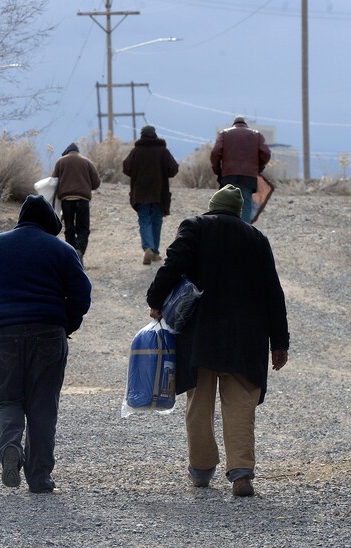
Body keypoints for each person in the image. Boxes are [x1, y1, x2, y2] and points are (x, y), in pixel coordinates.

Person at [145, 184, 289, 497]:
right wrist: (280, 342)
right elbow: (273, 293)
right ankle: (241, 474)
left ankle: (201, 469)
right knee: (240, 406)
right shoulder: (257, 238)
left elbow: (174, 263)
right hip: (246, 339)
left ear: (212, 207)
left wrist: (155, 298)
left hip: (201, 335)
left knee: (199, 404)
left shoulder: (195, 227)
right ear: (238, 212)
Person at [0, 194, 92, 494]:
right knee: (42, 406)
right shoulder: (62, 249)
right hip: (48, 335)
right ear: (50, 223)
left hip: (2, 335)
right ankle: (39, 479)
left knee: (8, 399)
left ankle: (11, 446)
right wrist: (66, 325)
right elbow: (82, 295)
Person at [123, 125, 179, 265]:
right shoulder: (163, 151)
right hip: (159, 192)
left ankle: (148, 247)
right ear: (154, 135)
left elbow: (126, 167)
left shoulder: (136, 151)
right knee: (156, 221)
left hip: (141, 192)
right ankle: (154, 252)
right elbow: (173, 169)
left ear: (142, 135)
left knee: (144, 220)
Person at [210, 116, 271, 223]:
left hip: (229, 175)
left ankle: (229, 232)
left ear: (234, 124)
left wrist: (217, 170)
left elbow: (215, 153)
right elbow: (266, 154)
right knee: (246, 205)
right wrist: (258, 168)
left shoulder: (224, 133)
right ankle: (245, 234)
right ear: (245, 124)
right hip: (249, 176)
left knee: (227, 205)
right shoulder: (256, 134)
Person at [51, 142, 101, 263]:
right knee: (83, 228)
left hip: (66, 200)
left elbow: (53, 182)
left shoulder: (60, 161)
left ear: (67, 152)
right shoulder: (87, 162)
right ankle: (79, 252)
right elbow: (96, 183)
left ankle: (72, 256)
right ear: (77, 151)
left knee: (69, 228)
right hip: (82, 199)